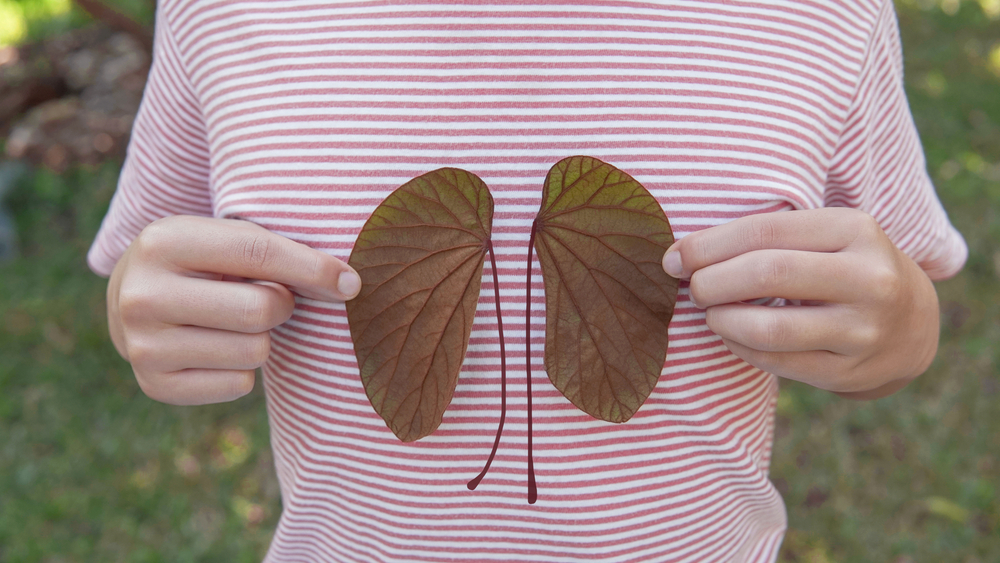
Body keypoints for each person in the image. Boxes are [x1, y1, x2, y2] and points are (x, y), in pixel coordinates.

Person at [89, 0, 966, 560]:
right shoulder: (226, 12)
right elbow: (151, 259)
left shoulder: (821, 15)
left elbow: (903, 288)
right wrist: (151, 307)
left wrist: (900, 332)